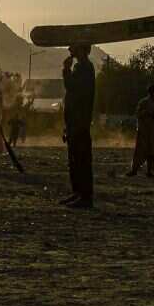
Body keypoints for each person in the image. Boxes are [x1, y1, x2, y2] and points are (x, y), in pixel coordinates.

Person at [60, 43, 96, 209]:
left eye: (73, 48)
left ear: (82, 50)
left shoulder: (85, 68)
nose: (70, 51)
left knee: (81, 159)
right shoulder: (81, 67)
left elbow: (72, 87)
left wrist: (66, 70)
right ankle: (78, 193)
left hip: (80, 121)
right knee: (74, 159)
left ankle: (85, 196)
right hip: (75, 120)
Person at [129, 84, 154, 177]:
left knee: (152, 151)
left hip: (152, 131)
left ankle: (150, 171)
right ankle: (134, 170)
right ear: (151, 92)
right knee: (140, 151)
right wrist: (147, 113)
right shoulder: (143, 102)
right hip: (143, 130)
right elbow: (138, 114)